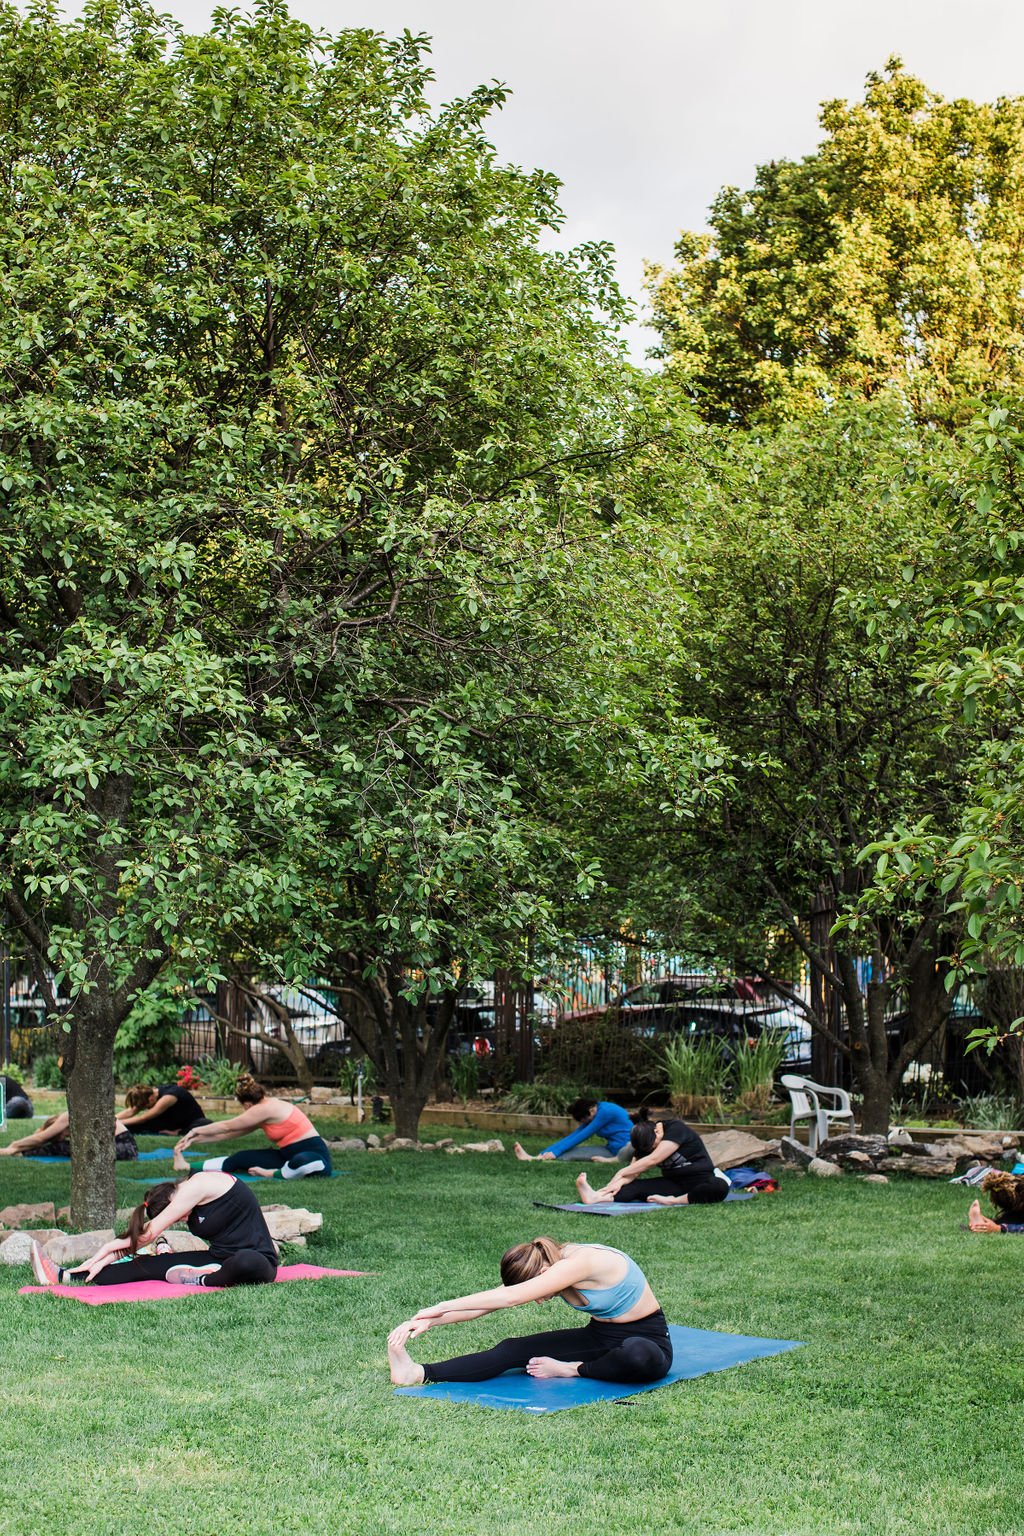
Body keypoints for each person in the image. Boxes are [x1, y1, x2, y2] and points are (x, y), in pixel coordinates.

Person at [387, 1236, 673, 1387]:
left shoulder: (580, 1262)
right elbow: (489, 1303)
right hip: (600, 1336)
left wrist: (439, 1305)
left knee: (637, 1354)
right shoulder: (542, 1264)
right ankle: (417, 1373)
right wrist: (427, 1320)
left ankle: (570, 1370)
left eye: (536, 1291)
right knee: (512, 1349)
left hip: (648, 1339)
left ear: (544, 1272)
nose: (537, 1300)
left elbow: (510, 1298)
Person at [30, 1170, 279, 1288]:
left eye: (174, 1216)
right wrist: (103, 1258)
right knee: (147, 1265)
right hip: (218, 1259)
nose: (181, 1221)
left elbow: (147, 1233)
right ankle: (67, 1276)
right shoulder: (185, 1201)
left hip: (258, 1260)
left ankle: (201, 1280)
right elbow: (144, 1235)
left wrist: (106, 1248)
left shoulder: (198, 1185)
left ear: (171, 1201)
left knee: (245, 1262)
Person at [174, 1074, 332, 1179]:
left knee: (301, 1161)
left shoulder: (265, 1109)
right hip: (285, 1156)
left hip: (314, 1156)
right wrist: (194, 1140)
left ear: (247, 1104)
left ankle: (272, 1174)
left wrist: (195, 1130)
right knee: (240, 1158)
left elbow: (227, 1126)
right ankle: (187, 1166)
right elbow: (231, 1133)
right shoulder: (263, 1110)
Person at [575, 1109, 729, 1205]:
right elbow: (633, 1171)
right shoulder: (645, 1141)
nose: (653, 1149)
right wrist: (613, 1185)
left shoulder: (675, 1129)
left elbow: (652, 1160)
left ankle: (674, 1201)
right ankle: (595, 1197)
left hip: (700, 1181)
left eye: (654, 1145)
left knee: (719, 1186)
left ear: (657, 1131)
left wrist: (620, 1172)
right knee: (633, 1186)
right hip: (674, 1183)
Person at [513, 1097, 633, 1163]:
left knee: (570, 1154)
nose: (583, 1124)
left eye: (584, 1120)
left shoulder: (605, 1112)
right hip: (611, 1148)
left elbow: (583, 1136)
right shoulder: (596, 1111)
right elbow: (575, 1135)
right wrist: (547, 1151)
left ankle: (536, 1159)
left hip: (622, 1150)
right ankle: (537, 1157)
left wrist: (556, 1152)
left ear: (591, 1111)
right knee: (570, 1151)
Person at [0, 1110, 137, 1160]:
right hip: (121, 1146)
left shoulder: (67, 1117)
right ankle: (22, 1152)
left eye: (57, 1136)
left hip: (123, 1147)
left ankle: (21, 1153)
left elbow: (41, 1138)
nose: (61, 1138)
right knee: (67, 1147)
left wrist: (14, 1146)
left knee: (64, 1148)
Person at [117, 1082, 211, 1136]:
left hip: (191, 1123)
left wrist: (117, 1123)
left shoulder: (169, 1097)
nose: (146, 1108)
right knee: (128, 1127)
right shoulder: (150, 1094)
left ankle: (179, 1132)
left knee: (204, 1125)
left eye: (146, 1107)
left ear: (151, 1099)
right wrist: (110, 1120)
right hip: (169, 1121)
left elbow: (143, 1118)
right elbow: (131, 1111)